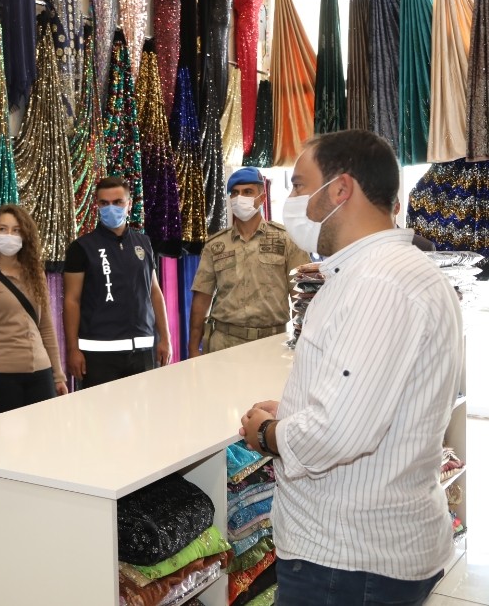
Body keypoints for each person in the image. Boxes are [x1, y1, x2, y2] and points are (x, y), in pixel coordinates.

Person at [239, 130, 464, 606]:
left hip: (346, 562)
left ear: (340, 189)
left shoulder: (379, 283)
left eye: (300, 186)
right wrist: (297, 408)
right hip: (362, 555)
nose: (292, 200)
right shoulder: (385, 272)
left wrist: (268, 434)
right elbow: (371, 397)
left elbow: (339, 433)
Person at [63, 176, 172, 388]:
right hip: (98, 355)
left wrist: (166, 338)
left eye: (117, 202)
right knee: (100, 410)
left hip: (142, 350)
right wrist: (73, 349)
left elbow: (154, 292)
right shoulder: (81, 247)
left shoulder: (144, 242)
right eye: (104, 203)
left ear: (129, 204)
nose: (111, 208)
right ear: (97, 205)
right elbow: (71, 301)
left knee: (145, 408)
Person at [188, 167, 308, 356]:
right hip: (225, 344)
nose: (240, 197)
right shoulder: (216, 245)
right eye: (235, 193)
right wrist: (193, 348)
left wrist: (303, 346)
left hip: (273, 344)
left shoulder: (286, 240)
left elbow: (301, 297)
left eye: (247, 192)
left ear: (262, 197)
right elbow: (201, 298)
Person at [0, 205, 68, 417]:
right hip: (1, 376)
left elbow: (47, 329)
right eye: (3, 229)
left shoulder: (36, 275)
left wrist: (58, 375)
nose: (9, 235)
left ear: (25, 236)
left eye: (16, 230)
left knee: (44, 434)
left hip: (41, 374)